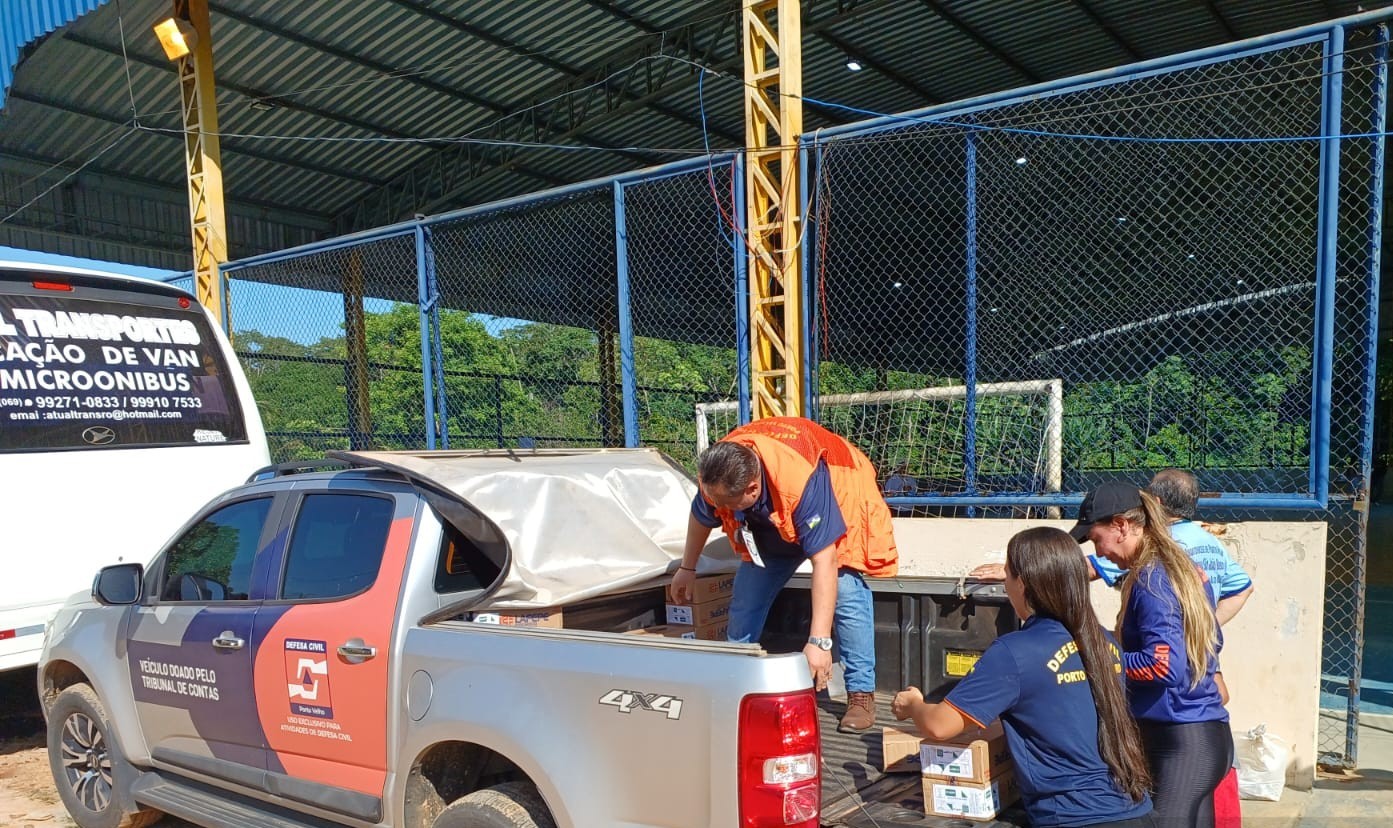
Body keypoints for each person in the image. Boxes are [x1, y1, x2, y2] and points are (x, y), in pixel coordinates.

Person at [892, 527, 1154, 828]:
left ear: (1023, 584)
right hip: (1135, 808)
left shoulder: (1015, 652)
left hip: (1073, 816)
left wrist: (913, 704)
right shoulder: (1105, 642)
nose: (1005, 583)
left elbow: (939, 726)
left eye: (1007, 574)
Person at [671, 417, 898, 733]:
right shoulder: (720, 475)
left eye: (724, 504)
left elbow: (825, 561)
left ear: (752, 489)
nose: (718, 508)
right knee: (746, 598)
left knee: (846, 590)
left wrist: (819, 641)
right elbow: (700, 516)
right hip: (773, 520)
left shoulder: (801, 480)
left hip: (839, 494)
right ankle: (733, 681)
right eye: (715, 500)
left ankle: (860, 693)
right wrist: (687, 568)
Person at [1070, 482, 1231, 828]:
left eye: (1097, 539)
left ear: (1121, 526)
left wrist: (1100, 659)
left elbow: (1163, 667)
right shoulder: (1174, 568)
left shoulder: (1153, 581)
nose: (1098, 552)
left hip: (1182, 742)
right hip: (1199, 737)